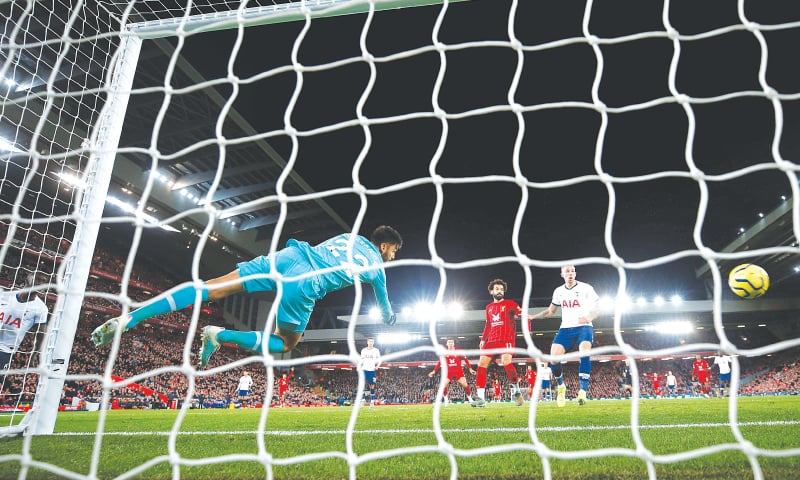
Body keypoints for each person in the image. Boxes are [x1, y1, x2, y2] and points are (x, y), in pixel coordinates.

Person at [91, 226, 403, 366]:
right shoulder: (378, 267)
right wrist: (390, 318)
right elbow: (385, 307)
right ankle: (220, 334)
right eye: (394, 252)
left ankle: (132, 317)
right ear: (386, 246)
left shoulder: (349, 236)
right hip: (307, 283)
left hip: (288, 256)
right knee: (286, 342)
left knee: (210, 287)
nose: (392, 257)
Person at [529, 265, 600, 407]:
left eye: (572, 271)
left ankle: (582, 392)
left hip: (584, 327)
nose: (570, 273)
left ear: (575, 273)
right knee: (553, 359)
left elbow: (599, 307)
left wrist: (589, 317)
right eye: (567, 271)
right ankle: (561, 386)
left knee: (584, 353)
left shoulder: (586, 288)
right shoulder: (559, 291)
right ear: (562, 274)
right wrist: (533, 317)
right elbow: (550, 311)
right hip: (566, 328)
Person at [471, 279, 530, 408]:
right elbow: (488, 325)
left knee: (506, 362)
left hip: (506, 340)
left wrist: (527, 326)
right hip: (491, 341)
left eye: (501, 289)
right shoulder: (489, 307)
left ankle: (516, 391)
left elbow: (522, 315)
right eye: (497, 289)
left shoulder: (510, 304)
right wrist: (483, 339)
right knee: (481, 364)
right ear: (492, 291)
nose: (499, 291)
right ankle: (481, 398)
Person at [0, 273, 49, 377]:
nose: (40, 283)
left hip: (5, 350)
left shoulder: (41, 308)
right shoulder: (6, 296)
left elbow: (41, 336)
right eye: (38, 279)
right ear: (27, 279)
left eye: (44, 281)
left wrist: (33, 356)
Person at [427, 338, 476, 406]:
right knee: (443, 385)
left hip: (458, 372)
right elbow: (439, 362)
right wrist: (433, 371)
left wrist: (470, 369)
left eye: (451, 342)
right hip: (448, 372)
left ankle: (470, 398)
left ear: (454, 344)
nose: (450, 343)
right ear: (447, 344)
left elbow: (466, 359)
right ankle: (446, 399)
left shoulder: (458, 351)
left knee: (465, 384)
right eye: (449, 342)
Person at [359, 337, 381, 407]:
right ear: (367, 342)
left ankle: (372, 402)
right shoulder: (363, 350)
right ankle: (362, 400)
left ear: (373, 343)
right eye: (370, 341)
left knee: (372, 386)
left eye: (372, 342)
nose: (371, 343)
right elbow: (361, 360)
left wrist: (377, 366)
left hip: (372, 370)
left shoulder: (376, 350)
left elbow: (380, 360)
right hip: (364, 369)